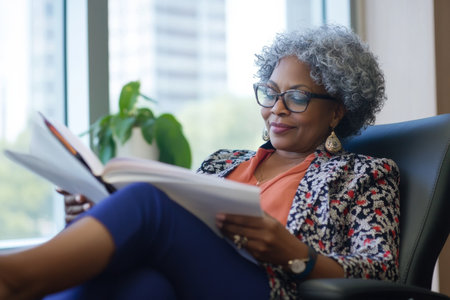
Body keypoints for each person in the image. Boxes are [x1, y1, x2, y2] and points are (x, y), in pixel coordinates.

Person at [0, 24, 400, 300]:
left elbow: (381, 272)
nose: (276, 109)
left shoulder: (364, 175)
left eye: (296, 97)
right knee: (143, 287)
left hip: (274, 289)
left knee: (147, 202)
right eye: (270, 93)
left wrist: (295, 254)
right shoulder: (223, 162)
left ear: (336, 113)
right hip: (196, 280)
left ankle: (14, 279)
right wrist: (97, 211)